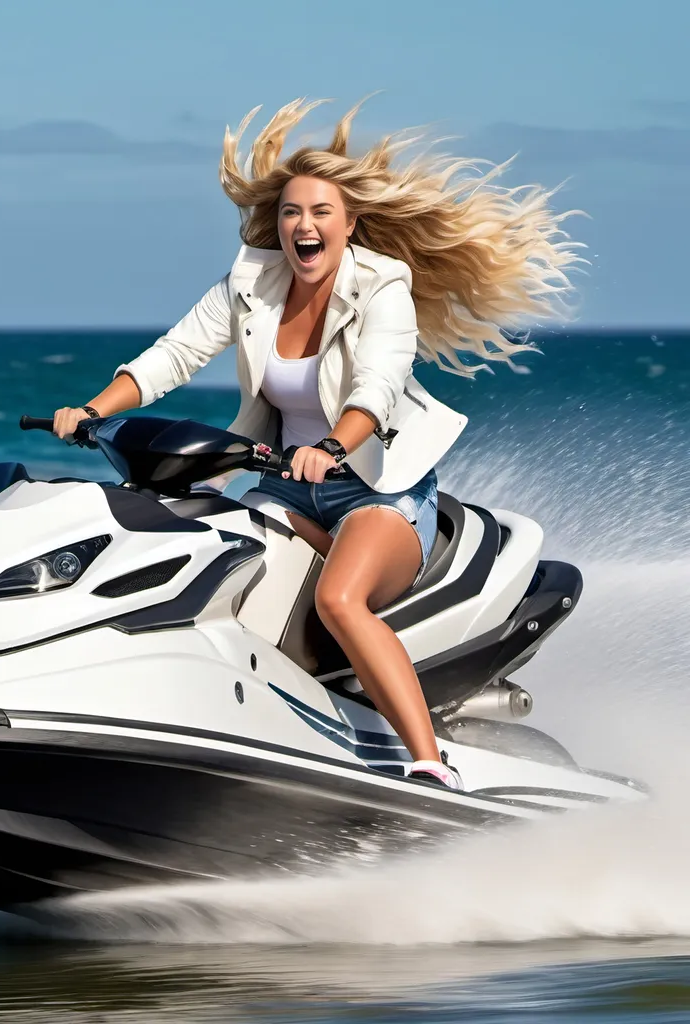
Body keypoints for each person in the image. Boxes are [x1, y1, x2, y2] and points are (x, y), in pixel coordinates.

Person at [52, 98, 578, 789]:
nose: (304, 225)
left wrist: (332, 447)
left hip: (376, 489)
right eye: (291, 212)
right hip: (282, 483)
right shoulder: (250, 286)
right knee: (207, 563)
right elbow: (173, 357)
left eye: (321, 212)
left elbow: (378, 387)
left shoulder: (383, 287)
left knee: (338, 600)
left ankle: (428, 760)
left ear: (350, 224)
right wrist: (93, 408)